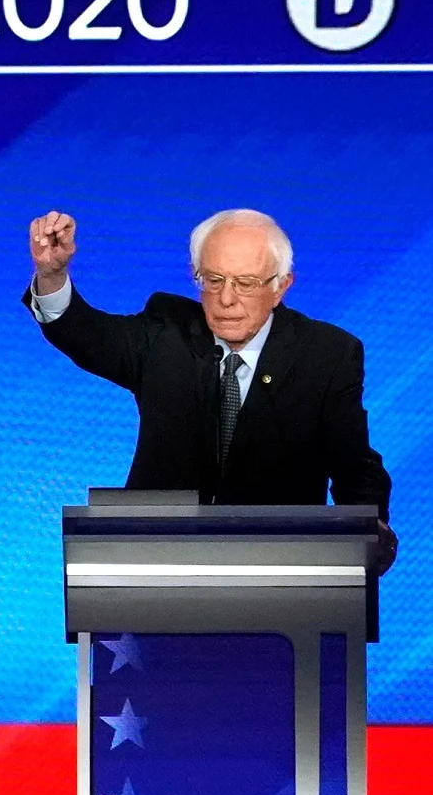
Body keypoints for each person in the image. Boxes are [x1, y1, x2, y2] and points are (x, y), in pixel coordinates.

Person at [26, 208, 394, 563]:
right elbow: (84, 334)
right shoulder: (166, 334)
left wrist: (367, 533)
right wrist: (51, 275)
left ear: (281, 286)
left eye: (245, 284)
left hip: (277, 572)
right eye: (213, 280)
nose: (227, 299)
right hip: (153, 566)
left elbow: (354, 466)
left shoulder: (326, 355)